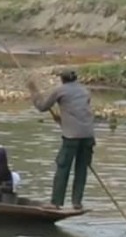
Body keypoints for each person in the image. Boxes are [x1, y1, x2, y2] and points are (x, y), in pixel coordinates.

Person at [27, 69, 96, 210]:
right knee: (81, 169)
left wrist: (33, 91)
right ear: (75, 79)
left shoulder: (60, 90)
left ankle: (56, 203)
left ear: (62, 79)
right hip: (88, 135)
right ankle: (77, 202)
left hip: (71, 137)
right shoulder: (84, 91)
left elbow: (42, 107)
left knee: (63, 168)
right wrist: (62, 119)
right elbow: (79, 111)